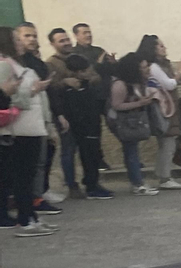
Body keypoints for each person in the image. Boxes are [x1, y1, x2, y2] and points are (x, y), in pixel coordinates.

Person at [0, 25, 57, 234]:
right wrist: (32, 91)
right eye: (16, 40)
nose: (21, 43)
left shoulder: (19, 64)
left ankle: (31, 216)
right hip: (19, 128)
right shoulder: (5, 65)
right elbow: (8, 99)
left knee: (29, 175)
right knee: (22, 177)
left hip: (32, 126)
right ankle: (25, 220)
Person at [45, 27, 99, 199]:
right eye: (61, 41)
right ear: (53, 44)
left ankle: (91, 182)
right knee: (68, 149)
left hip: (84, 112)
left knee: (87, 150)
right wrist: (64, 82)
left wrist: (86, 78)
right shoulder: (51, 64)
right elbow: (49, 88)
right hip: (64, 112)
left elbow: (95, 77)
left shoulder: (80, 58)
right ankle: (71, 185)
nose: (66, 43)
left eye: (67, 39)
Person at [54, 53, 112, 199]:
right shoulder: (70, 90)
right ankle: (90, 187)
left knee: (95, 156)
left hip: (93, 125)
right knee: (87, 157)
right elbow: (75, 110)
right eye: (85, 71)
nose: (89, 73)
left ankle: (94, 183)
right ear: (78, 72)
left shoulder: (87, 86)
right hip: (83, 128)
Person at [107, 52, 161, 196]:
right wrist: (140, 103)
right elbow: (116, 105)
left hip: (134, 121)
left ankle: (138, 181)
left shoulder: (136, 83)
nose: (147, 69)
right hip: (124, 122)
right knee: (131, 152)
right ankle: (137, 184)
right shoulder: (120, 84)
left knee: (132, 151)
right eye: (143, 67)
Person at [137, 34, 181, 189]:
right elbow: (169, 84)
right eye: (161, 46)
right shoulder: (154, 67)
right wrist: (180, 71)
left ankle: (162, 173)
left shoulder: (162, 64)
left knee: (166, 143)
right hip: (164, 108)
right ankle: (165, 177)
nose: (164, 48)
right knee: (168, 143)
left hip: (168, 105)